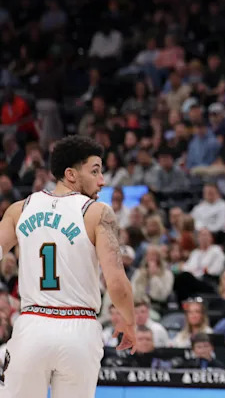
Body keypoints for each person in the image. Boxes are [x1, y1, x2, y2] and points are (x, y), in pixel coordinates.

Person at [0, 135, 136, 398]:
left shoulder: (19, 209)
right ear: (71, 174)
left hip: (32, 326)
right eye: (95, 171)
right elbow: (117, 282)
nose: (102, 180)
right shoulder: (97, 212)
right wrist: (129, 321)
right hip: (79, 329)